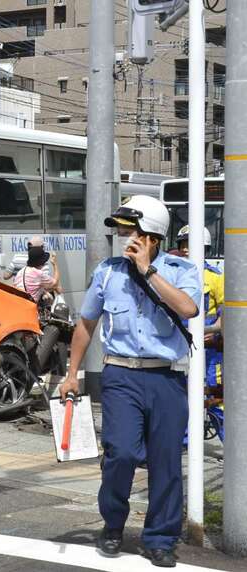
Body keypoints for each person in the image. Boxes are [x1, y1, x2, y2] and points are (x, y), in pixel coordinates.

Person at [58, 195, 199, 568]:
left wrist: (148, 271)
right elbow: (86, 324)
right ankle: (113, 524)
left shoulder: (181, 270)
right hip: (120, 374)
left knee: (166, 461)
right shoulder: (107, 272)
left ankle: (160, 538)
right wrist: (71, 375)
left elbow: (188, 309)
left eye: (131, 230)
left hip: (167, 377)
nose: (125, 238)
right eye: (122, 231)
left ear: (152, 235)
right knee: (120, 453)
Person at [177, 225, 225, 441]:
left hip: (210, 351)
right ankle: (184, 443)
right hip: (180, 347)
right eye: (183, 244)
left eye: (191, 245)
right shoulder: (174, 275)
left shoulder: (216, 278)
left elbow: (229, 316)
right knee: (181, 397)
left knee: (216, 399)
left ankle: (234, 451)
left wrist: (214, 332)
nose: (186, 249)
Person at [14, 237, 60, 304]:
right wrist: (55, 264)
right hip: (30, 307)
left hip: (20, 304)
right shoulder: (38, 274)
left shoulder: (20, 272)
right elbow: (55, 284)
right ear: (40, 263)